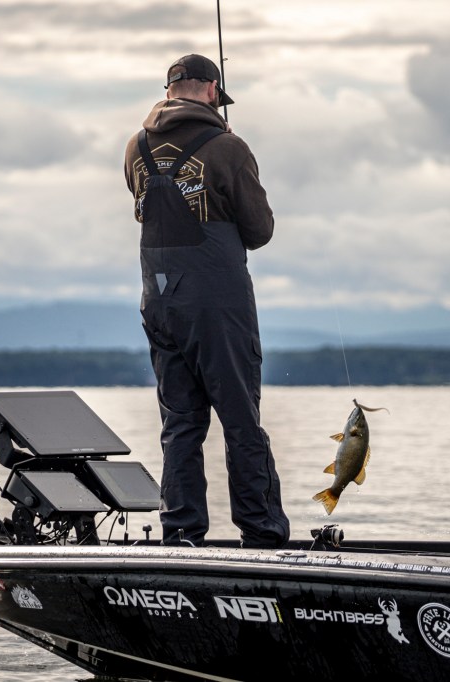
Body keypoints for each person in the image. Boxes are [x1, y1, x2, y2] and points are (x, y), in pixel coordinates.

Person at [123, 54, 290, 549]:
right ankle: (261, 535)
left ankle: (180, 535)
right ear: (213, 91)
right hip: (217, 303)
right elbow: (259, 231)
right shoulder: (229, 147)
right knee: (240, 421)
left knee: (179, 426)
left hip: (158, 300)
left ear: (168, 90)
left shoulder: (135, 146)